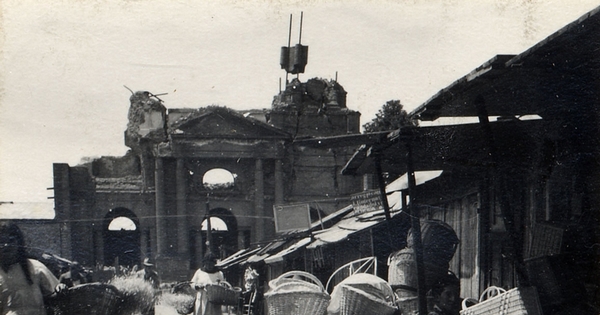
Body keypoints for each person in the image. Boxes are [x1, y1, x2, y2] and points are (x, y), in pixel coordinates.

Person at [0, 220, 66, 315]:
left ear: (19, 242)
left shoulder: (35, 267)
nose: (7, 246)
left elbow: (53, 298)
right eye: (1, 242)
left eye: (11, 240)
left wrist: (60, 290)